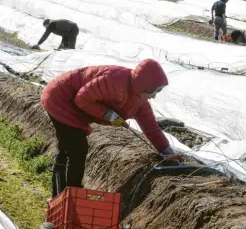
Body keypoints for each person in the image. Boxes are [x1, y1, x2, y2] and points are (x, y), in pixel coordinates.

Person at [41, 59, 182, 197]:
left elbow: (152, 128)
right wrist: (110, 115)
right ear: (145, 85)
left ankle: (60, 195)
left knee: (68, 148)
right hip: (60, 97)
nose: (154, 96)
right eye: (154, 91)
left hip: (72, 105)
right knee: (77, 149)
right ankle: (72, 196)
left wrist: (167, 151)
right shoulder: (115, 81)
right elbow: (82, 98)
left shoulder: (140, 101)